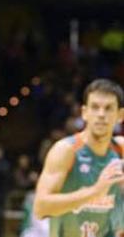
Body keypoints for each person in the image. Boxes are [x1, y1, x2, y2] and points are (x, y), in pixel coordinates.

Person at [34, 78, 124, 237]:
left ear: (120, 115)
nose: (101, 114)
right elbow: (41, 208)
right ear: (84, 113)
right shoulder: (66, 150)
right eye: (95, 107)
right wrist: (95, 192)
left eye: (108, 108)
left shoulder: (120, 149)